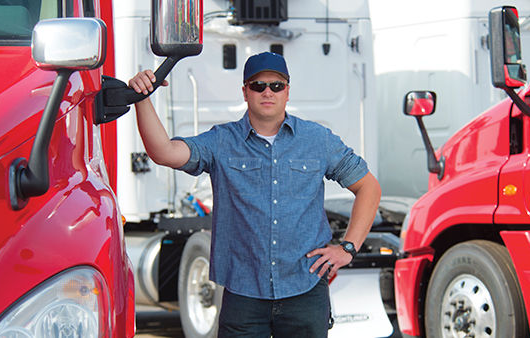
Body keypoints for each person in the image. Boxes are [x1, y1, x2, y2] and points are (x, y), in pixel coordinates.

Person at [129, 51, 381, 337]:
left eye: (276, 85)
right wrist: (142, 99)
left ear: (287, 91)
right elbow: (164, 152)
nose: (268, 92)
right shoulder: (222, 141)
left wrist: (348, 247)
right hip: (244, 294)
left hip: (305, 288)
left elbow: (368, 187)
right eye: (258, 85)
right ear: (245, 92)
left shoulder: (317, 140)